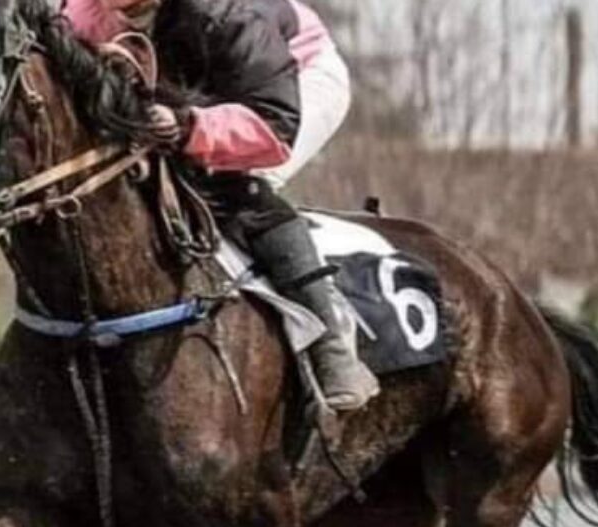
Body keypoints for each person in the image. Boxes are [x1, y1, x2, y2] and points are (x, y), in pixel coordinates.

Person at [63, 0, 380, 411]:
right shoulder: (84, 12)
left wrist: (190, 126)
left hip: (293, 83)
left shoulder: (230, 12)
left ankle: (331, 345)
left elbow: (273, 126)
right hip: (188, 79)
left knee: (237, 185)